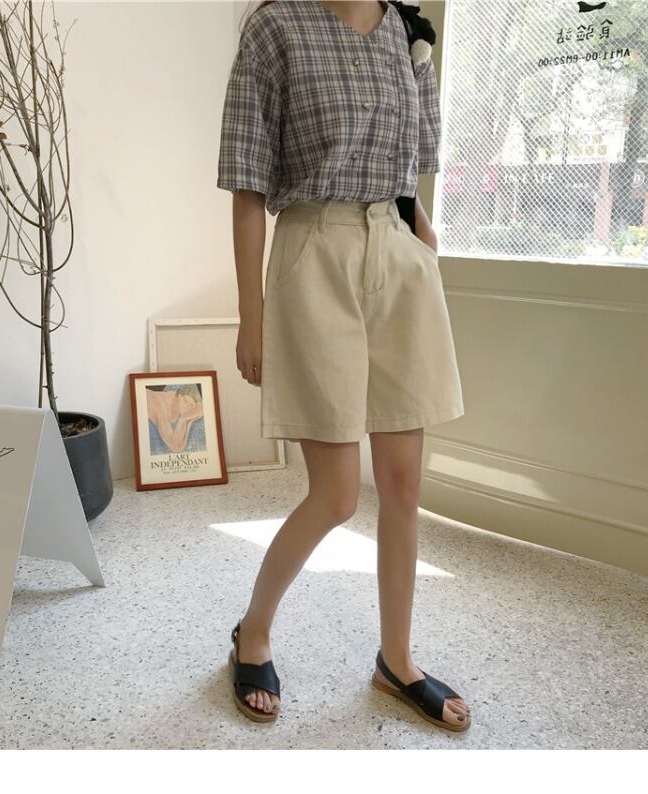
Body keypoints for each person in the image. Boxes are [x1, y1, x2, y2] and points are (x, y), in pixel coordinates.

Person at [216, 0, 470, 731]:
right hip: (314, 250)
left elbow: (412, 168)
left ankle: (397, 660)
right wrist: (252, 315)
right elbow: (248, 186)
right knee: (334, 495)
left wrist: (422, 247)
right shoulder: (276, 27)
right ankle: (253, 630)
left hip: (398, 254)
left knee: (403, 483)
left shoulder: (408, 32)